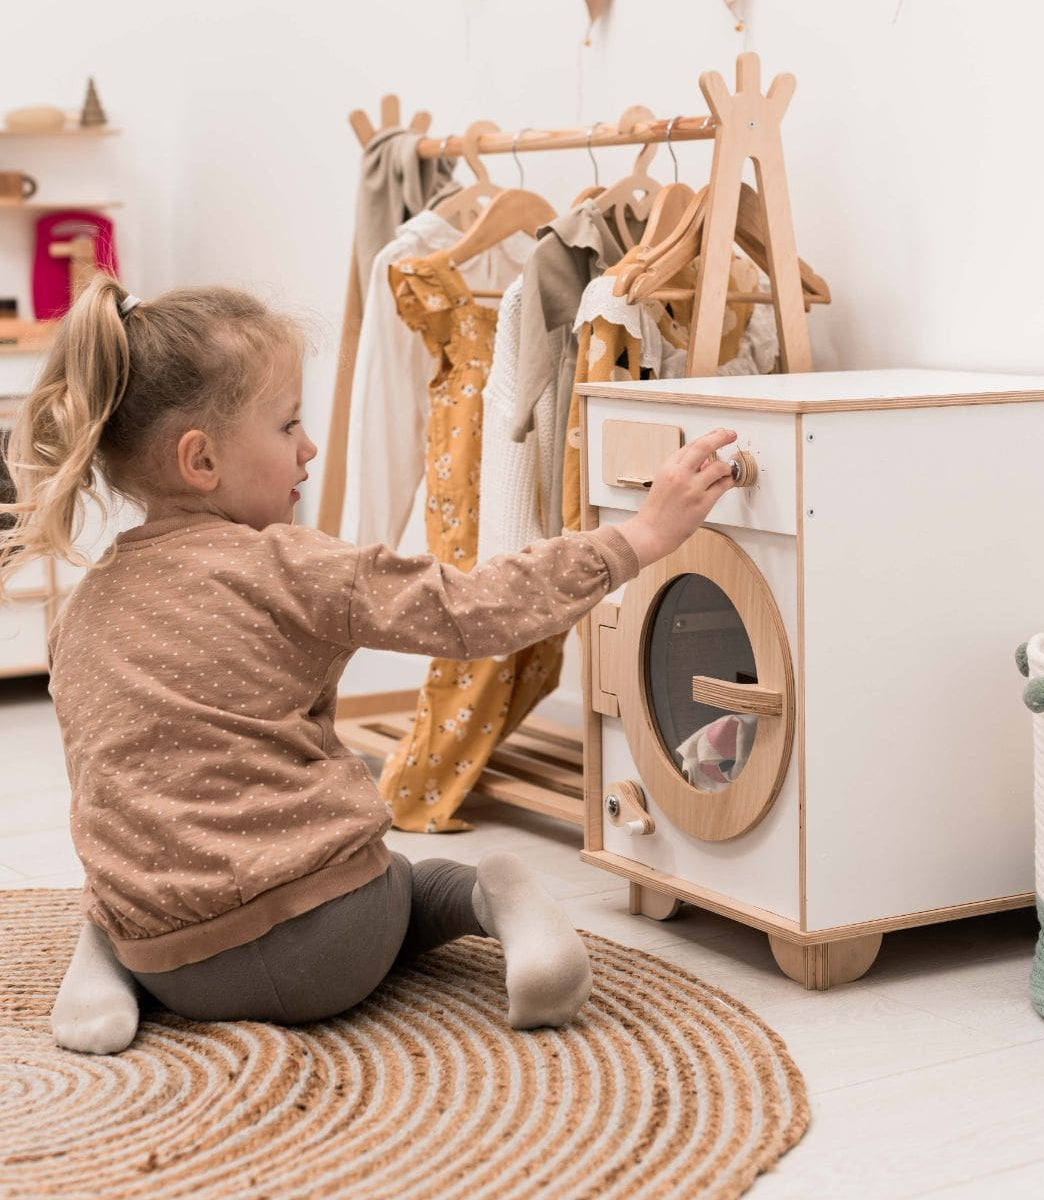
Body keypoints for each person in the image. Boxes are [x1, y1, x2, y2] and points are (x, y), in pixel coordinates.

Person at [0, 274, 738, 1055]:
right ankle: (499, 897)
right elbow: (475, 608)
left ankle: (105, 955)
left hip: (176, 968)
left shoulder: (80, 607)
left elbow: (110, 788)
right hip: (341, 941)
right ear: (201, 460)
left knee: (135, 855)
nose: (308, 447)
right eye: (289, 425)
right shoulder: (287, 564)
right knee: (420, 885)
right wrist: (641, 536)